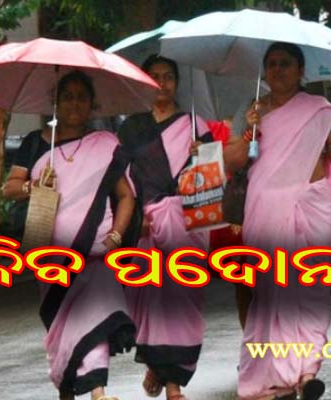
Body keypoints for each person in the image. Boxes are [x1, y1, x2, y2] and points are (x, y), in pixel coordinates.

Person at [224, 42, 331, 400]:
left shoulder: (320, 111)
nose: (277, 70)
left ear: (301, 70)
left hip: (313, 206)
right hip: (265, 210)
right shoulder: (251, 110)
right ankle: (279, 376)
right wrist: (249, 130)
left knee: (314, 291)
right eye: (271, 64)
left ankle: (306, 373)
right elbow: (232, 161)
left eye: (285, 64)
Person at [30, 70, 137, 400]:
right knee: (63, 327)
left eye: (81, 97)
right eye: (67, 97)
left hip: (96, 252)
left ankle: (98, 392)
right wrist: (34, 185)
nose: (74, 103)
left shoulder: (105, 145)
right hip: (52, 255)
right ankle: (69, 387)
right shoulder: (37, 144)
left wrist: (116, 236)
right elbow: (10, 187)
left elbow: (126, 196)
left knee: (96, 318)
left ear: (92, 104)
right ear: (56, 103)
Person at [118, 54, 214, 400]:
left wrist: (203, 153)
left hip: (188, 222)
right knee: (149, 301)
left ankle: (172, 382)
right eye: (155, 76)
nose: (162, 82)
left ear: (177, 82)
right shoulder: (131, 128)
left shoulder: (195, 124)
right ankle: (159, 367)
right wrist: (137, 217)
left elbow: (211, 179)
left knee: (182, 299)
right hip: (146, 224)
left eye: (168, 76)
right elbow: (122, 180)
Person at [1, 122, 52, 240]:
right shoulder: (35, 141)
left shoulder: (93, 143)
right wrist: (33, 186)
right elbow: (9, 190)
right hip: (35, 229)